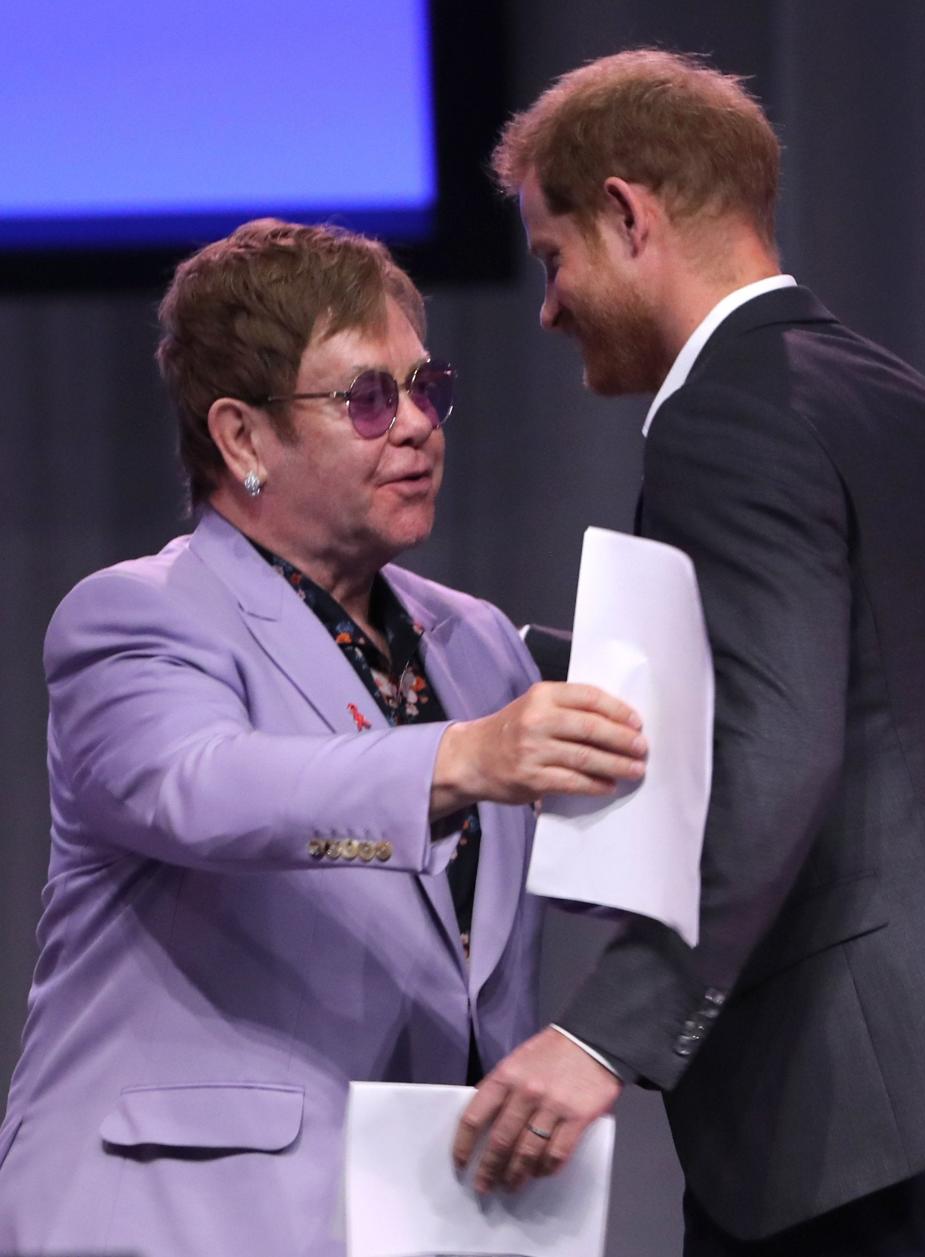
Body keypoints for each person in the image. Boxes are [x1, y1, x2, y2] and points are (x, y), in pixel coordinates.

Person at [0, 218, 648, 1257]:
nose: (417, 427)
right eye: (366, 399)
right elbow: (200, 790)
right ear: (242, 437)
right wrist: (462, 758)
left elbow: (598, 881)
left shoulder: (476, 644)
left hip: (431, 1215)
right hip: (184, 1218)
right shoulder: (136, 617)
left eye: (425, 387)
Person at [452, 48, 925, 1255]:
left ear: (628, 214)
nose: (550, 305)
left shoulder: (722, 417)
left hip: (858, 1128)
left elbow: (777, 751)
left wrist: (603, 1034)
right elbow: (871, 684)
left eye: (552, 256)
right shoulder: (900, 401)